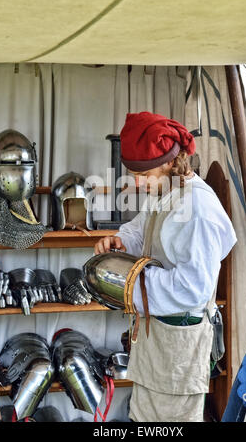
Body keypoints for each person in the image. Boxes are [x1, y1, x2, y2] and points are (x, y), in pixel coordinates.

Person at [94, 111, 237, 422]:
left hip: (179, 349)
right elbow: (144, 225)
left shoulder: (197, 208)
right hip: (156, 340)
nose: (137, 183)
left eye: (143, 175)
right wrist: (121, 241)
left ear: (171, 162)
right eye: (133, 174)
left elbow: (193, 287)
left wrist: (133, 282)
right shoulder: (167, 190)